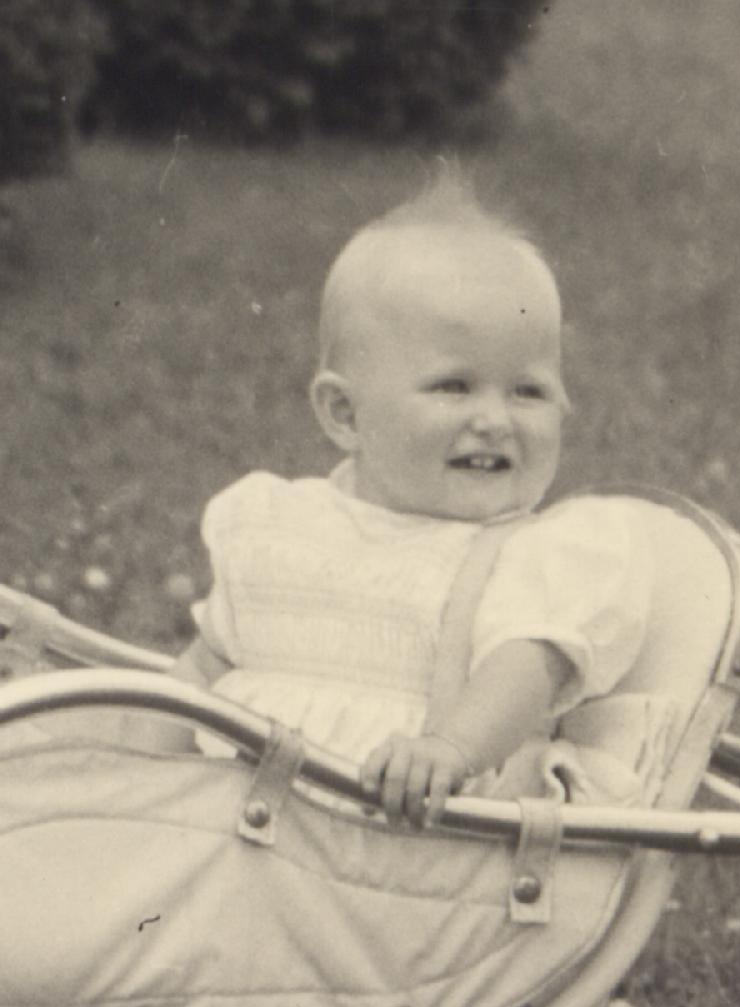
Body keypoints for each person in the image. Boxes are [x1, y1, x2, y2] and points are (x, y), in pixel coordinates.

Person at [163, 167, 661, 829]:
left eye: (529, 391)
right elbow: (203, 672)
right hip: (229, 826)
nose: (495, 419)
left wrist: (450, 749)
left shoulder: (535, 554)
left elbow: (527, 668)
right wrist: (125, 753)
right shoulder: (274, 525)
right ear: (344, 414)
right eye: (454, 386)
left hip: (409, 845)